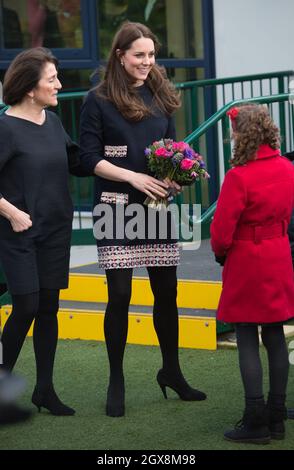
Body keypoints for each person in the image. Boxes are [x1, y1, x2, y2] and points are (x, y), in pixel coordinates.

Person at [79, 21, 206, 417]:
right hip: (116, 207)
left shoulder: (160, 95)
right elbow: (87, 158)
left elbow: (169, 148)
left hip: (156, 211)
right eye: (139, 55)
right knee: (119, 295)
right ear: (121, 55)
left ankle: (172, 371)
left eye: (151, 55)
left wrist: (173, 179)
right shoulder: (96, 100)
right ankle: (116, 380)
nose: (147, 62)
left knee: (166, 293)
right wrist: (133, 175)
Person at [0, 47, 91, 416]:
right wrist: (10, 212)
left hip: (55, 230)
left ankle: (44, 390)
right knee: (26, 306)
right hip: (18, 233)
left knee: (49, 309)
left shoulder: (52, 123)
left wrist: (133, 166)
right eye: (51, 79)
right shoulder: (4, 128)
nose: (59, 85)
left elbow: (77, 163)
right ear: (28, 87)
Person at [211, 104, 294, 444]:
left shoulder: (239, 176)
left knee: (246, 334)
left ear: (240, 135)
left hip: (247, 257)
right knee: (274, 334)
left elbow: (221, 232)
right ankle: (277, 417)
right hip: (278, 253)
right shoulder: (288, 167)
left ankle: (255, 419)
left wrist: (220, 254)